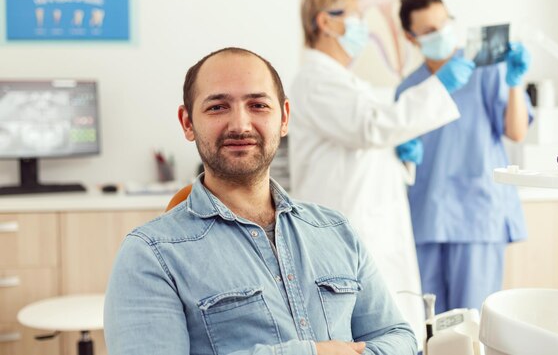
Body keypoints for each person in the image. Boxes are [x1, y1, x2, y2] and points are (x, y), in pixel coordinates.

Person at [104, 47, 418, 355]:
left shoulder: (335, 229)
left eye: (257, 105)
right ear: (187, 123)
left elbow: (397, 336)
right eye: (217, 107)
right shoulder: (150, 254)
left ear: (284, 118)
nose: (240, 125)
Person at [288, 0, 473, 339]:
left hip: (369, 221)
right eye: (356, 18)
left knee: (388, 327)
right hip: (347, 226)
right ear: (326, 22)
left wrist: (401, 155)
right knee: (363, 333)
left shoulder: (345, 82)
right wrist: (439, 85)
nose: (364, 28)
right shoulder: (316, 80)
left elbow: (369, 137)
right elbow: (369, 128)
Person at [396, 0, 533, 314]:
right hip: (426, 216)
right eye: (429, 30)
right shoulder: (408, 88)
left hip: (477, 214)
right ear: (410, 37)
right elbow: (398, 157)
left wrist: (515, 82)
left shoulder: (483, 69)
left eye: (444, 23)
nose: (441, 33)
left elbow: (515, 131)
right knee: (428, 326)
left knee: (472, 327)